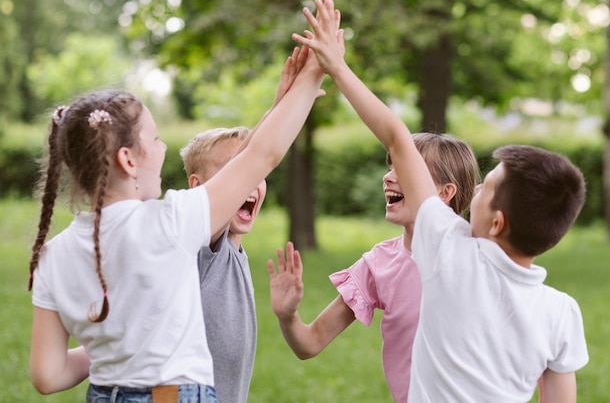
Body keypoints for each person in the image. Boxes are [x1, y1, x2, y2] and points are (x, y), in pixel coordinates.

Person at [292, 0, 588, 403]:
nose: (476, 191)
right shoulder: (562, 312)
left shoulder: (449, 254)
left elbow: (398, 138)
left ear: (498, 222)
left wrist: (337, 66)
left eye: (485, 188)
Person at [28, 44, 324, 403]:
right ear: (128, 160)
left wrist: (116, 348)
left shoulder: (51, 255)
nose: (164, 148)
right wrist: (313, 74)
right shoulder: (171, 221)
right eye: (154, 138)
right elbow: (263, 155)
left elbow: (47, 375)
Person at [268, 131, 479, 403]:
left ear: (445, 193)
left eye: (404, 169)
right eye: (390, 166)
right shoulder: (379, 264)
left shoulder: (479, 256)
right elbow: (310, 343)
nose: (388, 176)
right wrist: (288, 316)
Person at [180, 126, 265, 403]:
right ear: (197, 187)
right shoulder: (203, 242)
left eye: (255, 172)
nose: (249, 180)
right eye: (236, 170)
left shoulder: (233, 250)